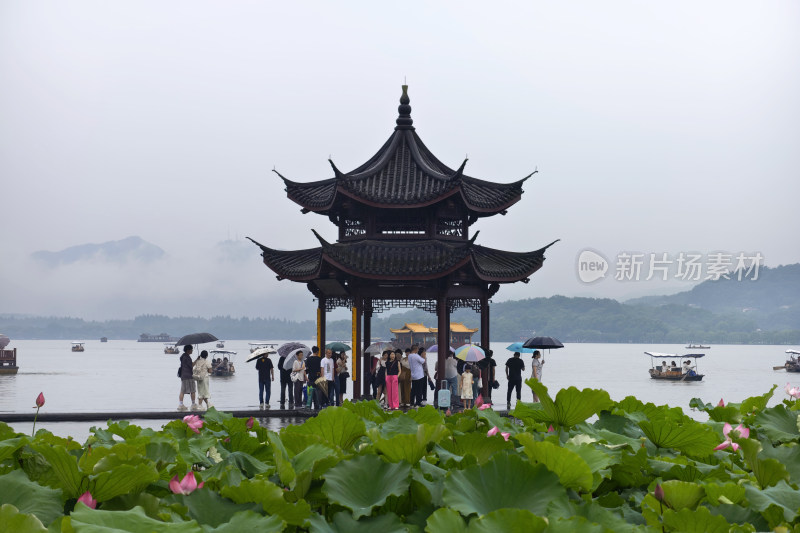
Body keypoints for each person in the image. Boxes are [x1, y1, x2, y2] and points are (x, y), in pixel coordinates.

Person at [178, 345, 198, 411]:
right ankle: (193, 404)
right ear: (188, 350)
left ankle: (181, 405)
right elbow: (191, 365)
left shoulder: (182, 356)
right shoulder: (187, 357)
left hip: (183, 376)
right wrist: (197, 360)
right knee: (193, 390)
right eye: (191, 349)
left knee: (182, 391)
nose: (192, 350)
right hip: (189, 375)